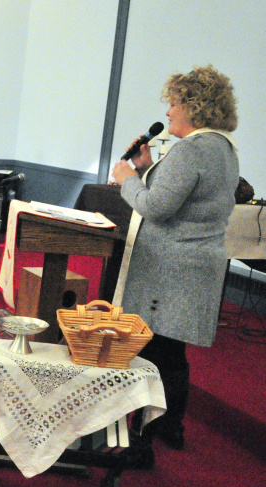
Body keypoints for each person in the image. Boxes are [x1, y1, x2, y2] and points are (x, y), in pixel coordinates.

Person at [111, 65, 240, 452]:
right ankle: (170, 426)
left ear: (195, 107)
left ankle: (142, 440)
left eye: (175, 102)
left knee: (155, 353)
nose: (168, 111)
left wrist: (126, 179)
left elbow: (157, 207)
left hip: (172, 268)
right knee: (172, 351)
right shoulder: (223, 148)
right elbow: (185, 200)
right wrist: (147, 168)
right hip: (196, 264)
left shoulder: (191, 150)